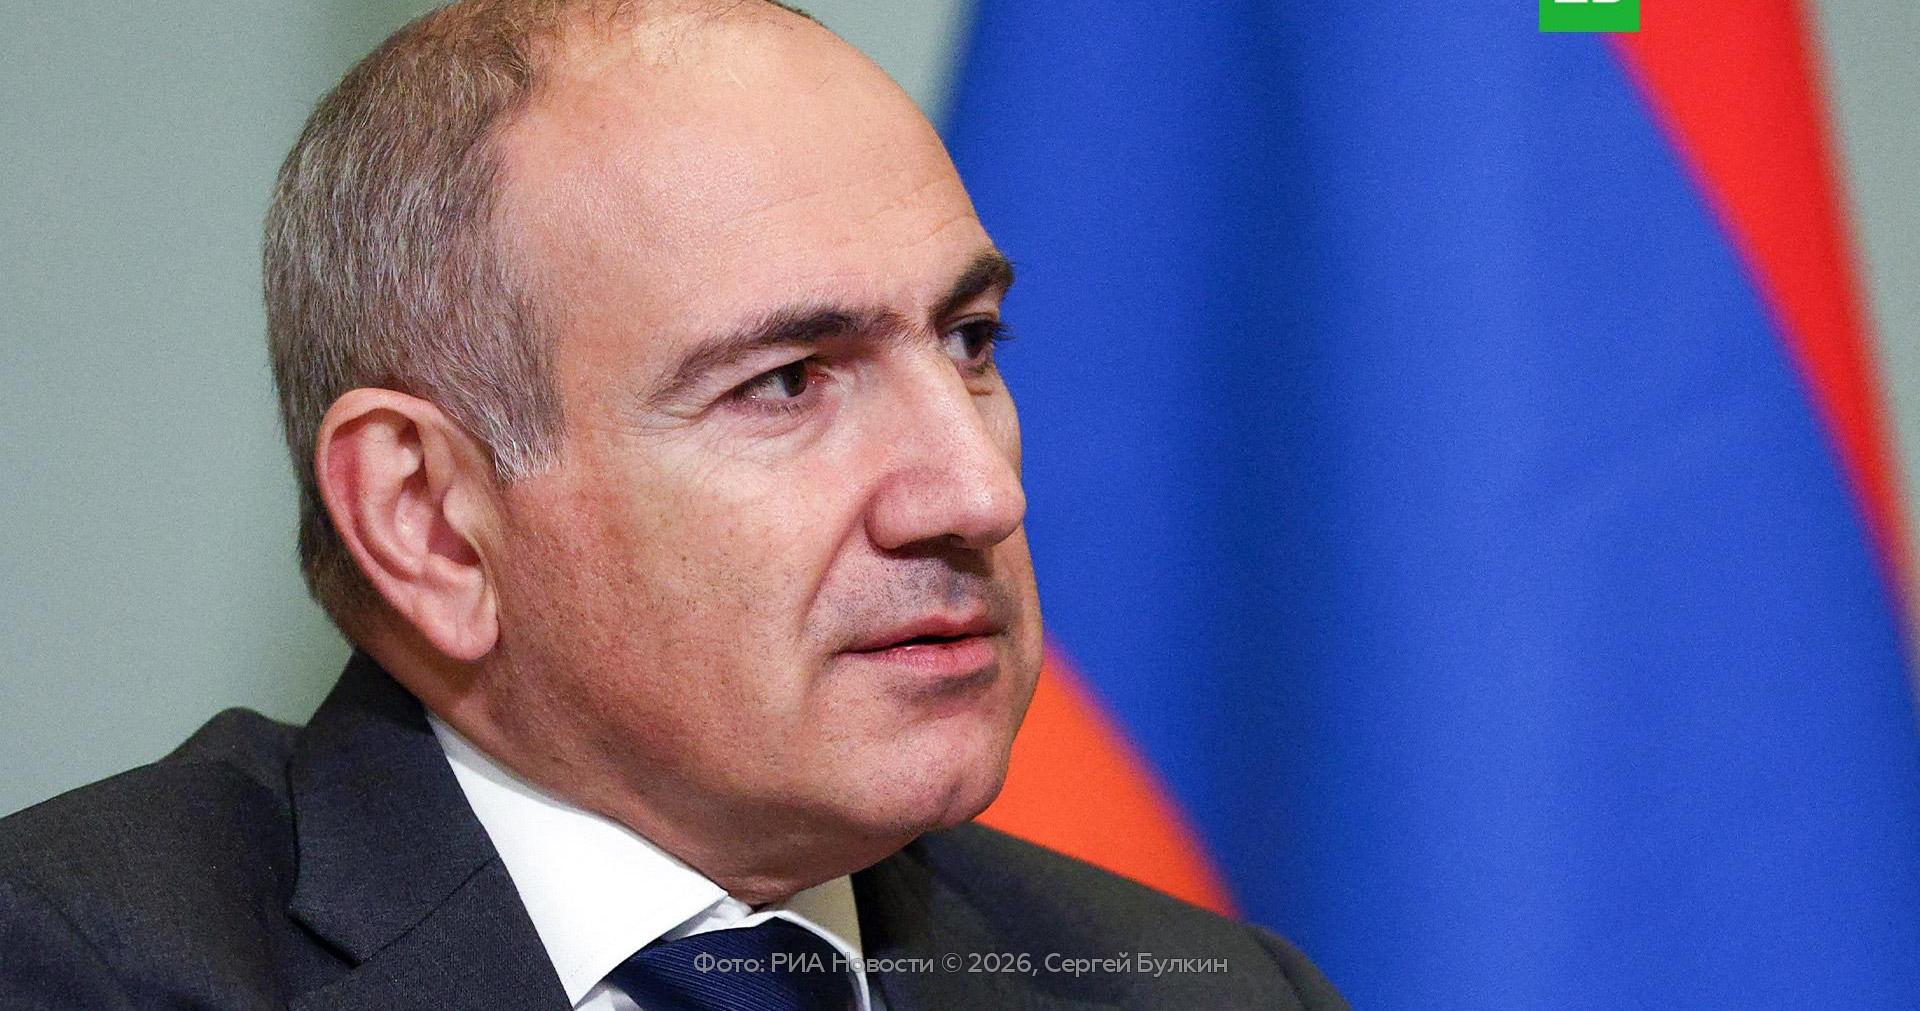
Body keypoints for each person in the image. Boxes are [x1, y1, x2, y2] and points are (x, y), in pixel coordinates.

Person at [0, 2, 1346, 1007]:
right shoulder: (73, 968)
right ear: (430, 522)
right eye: (786, 381)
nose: (978, 492)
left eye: (971, 341)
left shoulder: (1210, 992)